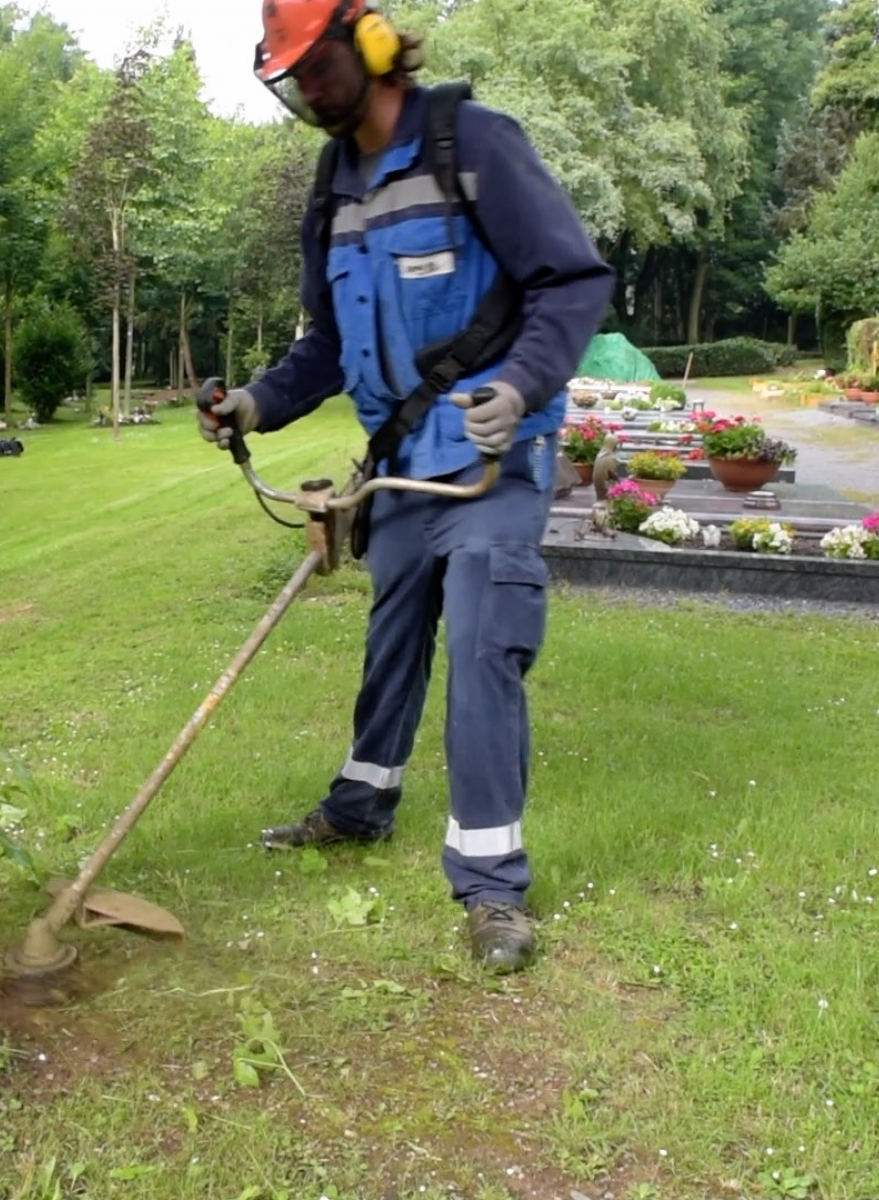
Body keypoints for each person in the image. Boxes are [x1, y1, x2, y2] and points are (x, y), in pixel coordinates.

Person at [198, 0, 614, 973]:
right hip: (398, 465)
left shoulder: (472, 143)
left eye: (317, 65)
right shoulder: (331, 188)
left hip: (490, 461)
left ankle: (492, 885)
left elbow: (571, 280)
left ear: (372, 42)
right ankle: (360, 804)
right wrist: (256, 405)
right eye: (291, 74)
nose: (307, 88)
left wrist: (520, 385)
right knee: (393, 635)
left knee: (481, 636)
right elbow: (331, 347)